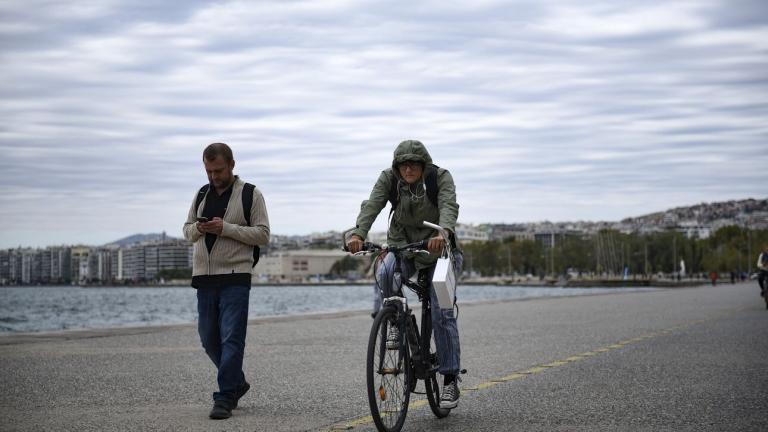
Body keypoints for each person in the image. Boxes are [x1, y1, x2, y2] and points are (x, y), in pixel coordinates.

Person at [346, 140, 463, 409]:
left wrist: (442, 231)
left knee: (442, 313)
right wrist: (358, 234)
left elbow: (449, 205)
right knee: (385, 272)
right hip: (404, 246)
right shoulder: (389, 179)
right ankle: (396, 323)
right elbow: (372, 205)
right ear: (396, 167)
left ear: (424, 165)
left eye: (413, 164)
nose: (408, 169)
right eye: (403, 164)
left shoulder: (440, 177)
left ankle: (450, 380)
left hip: (438, 250)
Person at [183, 143, 270, 420]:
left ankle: (224, 397)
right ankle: (236, 382)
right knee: (209, 339)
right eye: (208, 171)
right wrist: (198, 228)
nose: (213, 176)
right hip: (205, 277)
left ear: (232, 164)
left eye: (218, 170)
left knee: (232, 338)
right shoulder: (201, 194)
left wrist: (225, 228)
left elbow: (263, 234)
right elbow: (186, 231)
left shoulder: (250, 194)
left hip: (236, 276)